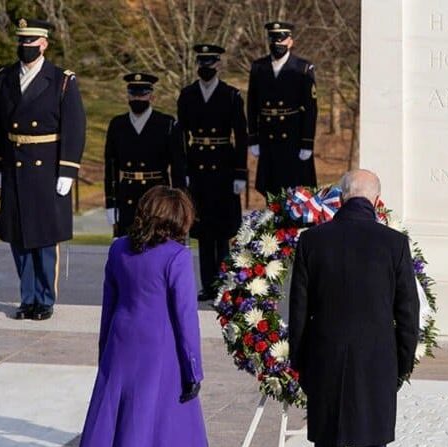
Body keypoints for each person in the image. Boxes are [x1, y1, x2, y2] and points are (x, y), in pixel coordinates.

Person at [289, 170, 419, 447]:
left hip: (326, 361)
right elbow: (407, 313)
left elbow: (298, 313)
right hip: (376, 362)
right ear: (377, 202)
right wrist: (400, 364)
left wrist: (302, 365)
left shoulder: (312, 241)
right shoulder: (393, 243)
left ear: (340, 199)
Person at [74, 186, 214, 447]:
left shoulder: (118, 248)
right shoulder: (177, 256)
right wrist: (194, 368)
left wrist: (105, 351)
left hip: (122, 345)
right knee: (184, 428)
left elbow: (109, 304)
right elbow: (186, 318)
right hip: (162, 351)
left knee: (130, 427)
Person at [0, 18, 86, 321]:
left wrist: (68, 170)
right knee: (18, 237)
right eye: (21, 41)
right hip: (15, 166)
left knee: (44, 237)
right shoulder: (4, 78)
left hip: (47, 169)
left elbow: (75, 128)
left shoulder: (61, 80)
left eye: (31, 42)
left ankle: (44, 299)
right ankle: (27, 298)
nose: (25, 46)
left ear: (43, 44)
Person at [178, 44, 247, 301]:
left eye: (210, 63)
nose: (205, 68)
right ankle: (208, 285)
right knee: (204, 231)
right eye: (202, 63)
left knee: (223, 230)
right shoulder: (188, 95)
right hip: (198, 167)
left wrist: (240, 173)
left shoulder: (231, 95)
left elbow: (241, 136)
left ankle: (225, 284)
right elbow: (181, 135)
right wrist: (183, 169)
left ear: (218, 64)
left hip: (224, 167)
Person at [104, 72, 186, 237]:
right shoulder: (118, 124)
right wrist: (111, 203)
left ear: (151, 97)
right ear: (128, 96)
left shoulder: (167, 124)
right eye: (133, 94)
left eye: (142, 94)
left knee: (157, 241)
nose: (137, 99)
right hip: (127, 194)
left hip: (157, 193)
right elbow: (111, 167)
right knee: (127, 243)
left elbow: (178, 166)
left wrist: (178, 202)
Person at [247, 21, 317, 197]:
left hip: (293, 138)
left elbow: (310, 109)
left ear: (290, 42)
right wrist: (253, 138)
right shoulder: (258, 67)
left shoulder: (303, 68)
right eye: (274, 39)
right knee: (271, 191)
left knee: (295, 190)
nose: (278, 43)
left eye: (282, 39)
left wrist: (307, 142)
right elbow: (252, 105)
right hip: (268, 138)